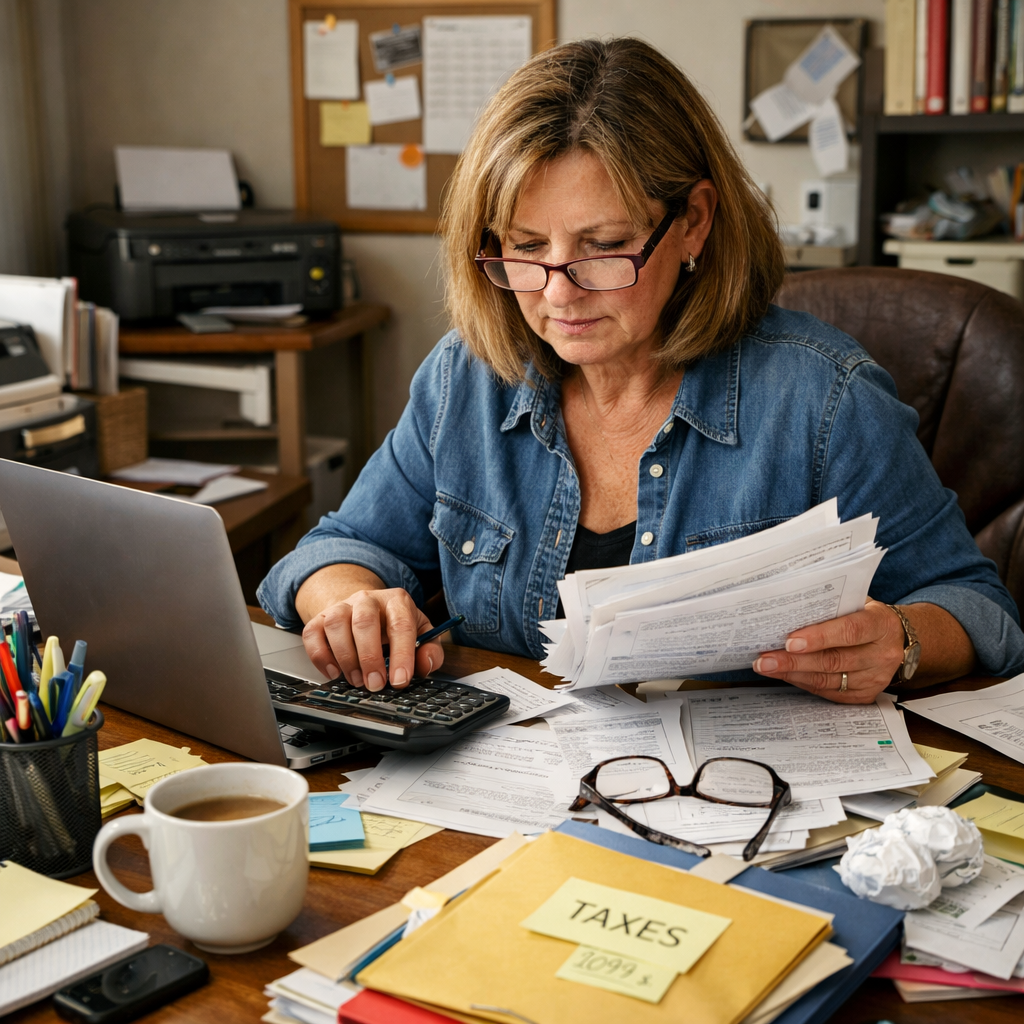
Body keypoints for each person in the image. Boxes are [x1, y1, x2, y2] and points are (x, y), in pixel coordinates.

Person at [259, 38, 1024, 705]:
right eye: (525, 248)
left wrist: (902, 639)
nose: (558, 294)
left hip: (737, 809)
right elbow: (337, 550)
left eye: (601, 247)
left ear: (693, 221)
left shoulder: (823, 400)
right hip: (504, 799)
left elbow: (976, 607)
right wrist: (351, 603)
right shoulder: (467, 376)